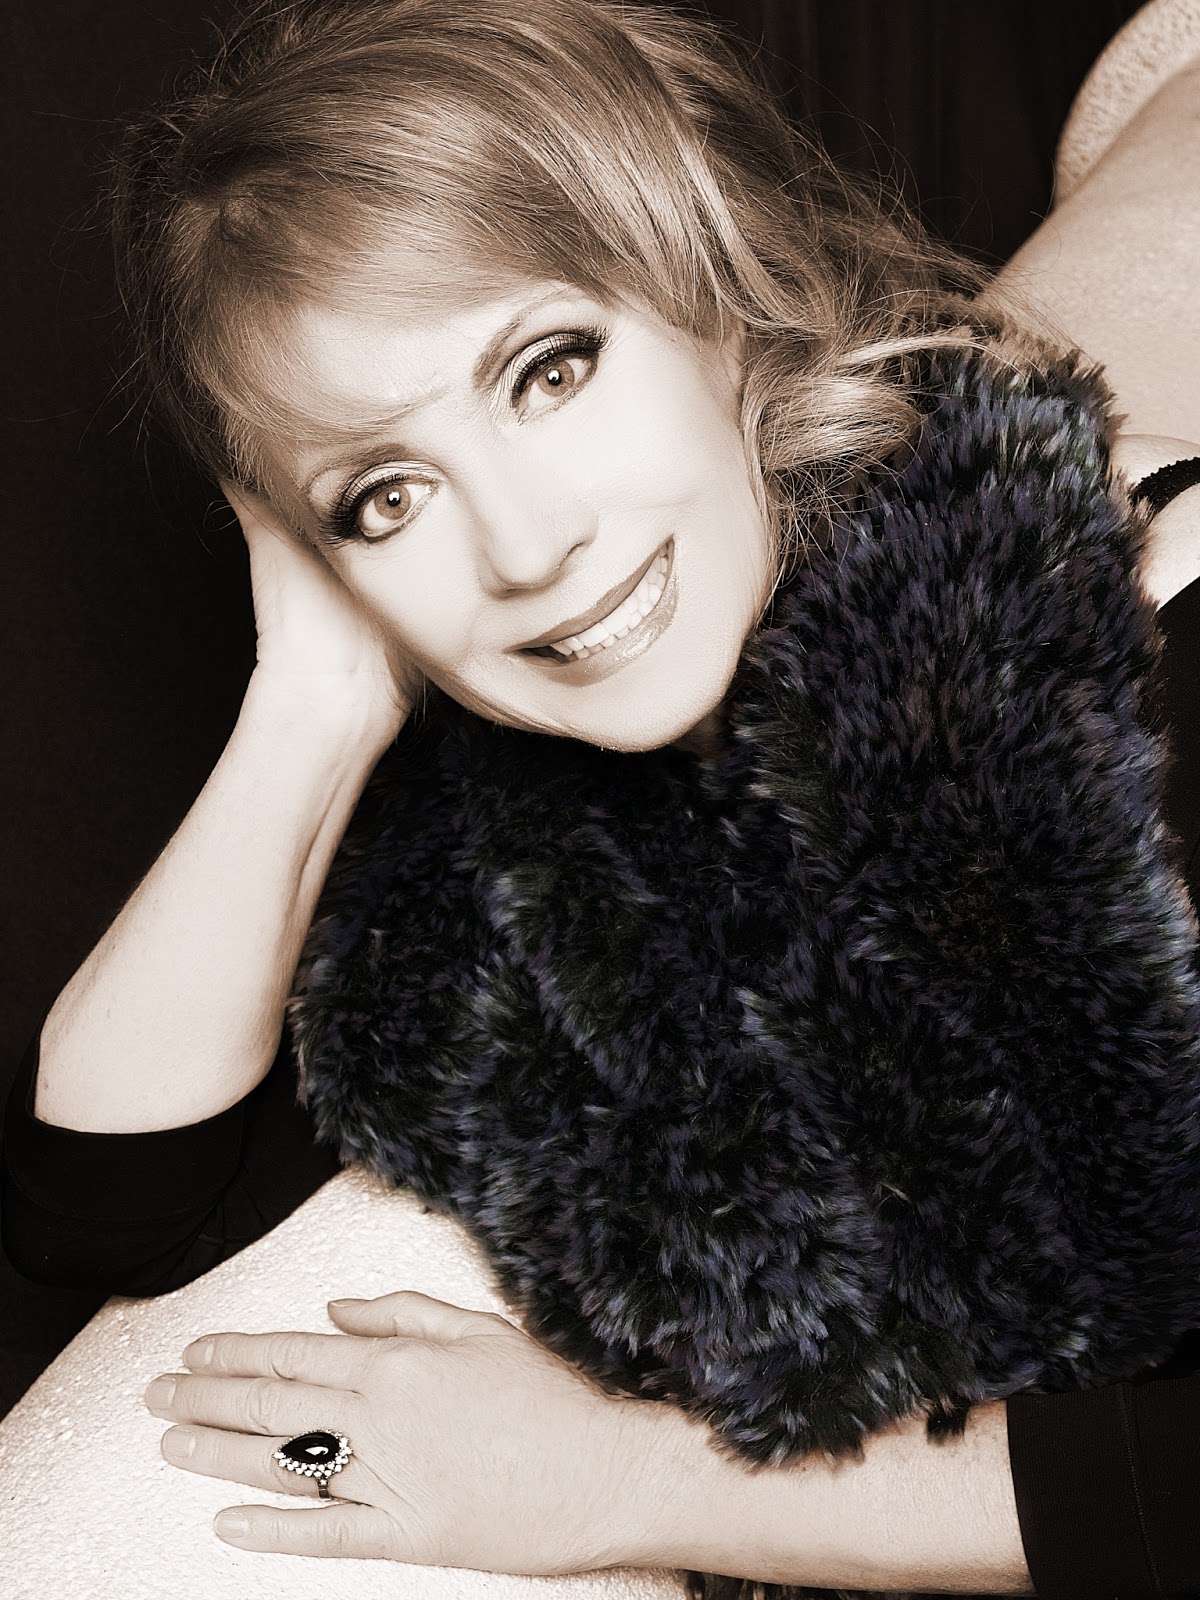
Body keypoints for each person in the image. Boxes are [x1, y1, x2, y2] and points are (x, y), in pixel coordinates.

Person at [3, 0, 1199, 1595]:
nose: (522, 547)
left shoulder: (1115, 654)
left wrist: (624, 1479)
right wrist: (312, 701)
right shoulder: (522, 833)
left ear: (716, 287)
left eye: (548, 370)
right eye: (386, 495)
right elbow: (108, 1204)